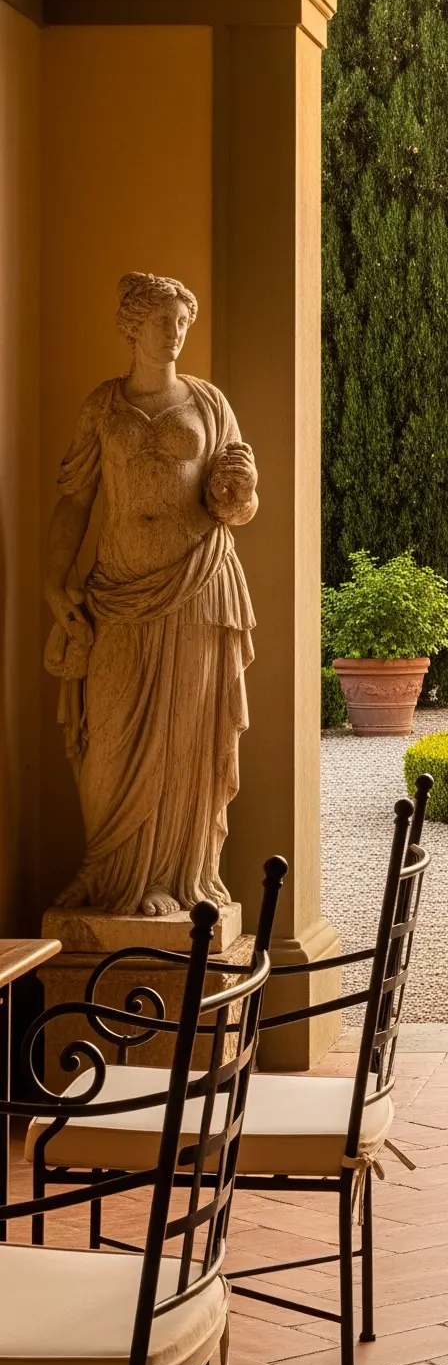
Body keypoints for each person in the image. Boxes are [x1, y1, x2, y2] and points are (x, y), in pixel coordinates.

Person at [44, 271, 257, 915]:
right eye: (165, 322)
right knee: (107, 736)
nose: (176, 334)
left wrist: (239, 491)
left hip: (196, 587)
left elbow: (241, 503)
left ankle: (173, 878)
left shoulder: (209, 404)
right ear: (133, 326)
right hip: (117, 594)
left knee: (182, 738)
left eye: (183, 324)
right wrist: (55, 582)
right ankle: (104, 872)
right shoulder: (103, 407)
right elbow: (75, 500)